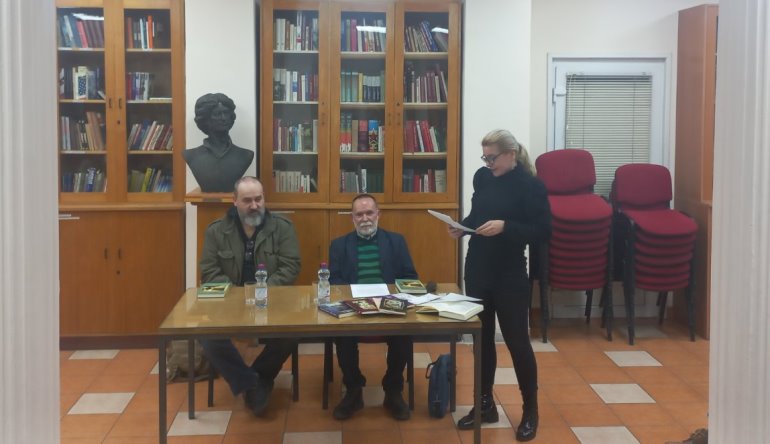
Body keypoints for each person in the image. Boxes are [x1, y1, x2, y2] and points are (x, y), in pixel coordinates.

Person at [447, 129, 550, 442]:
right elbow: (478, 216)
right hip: (478, 268)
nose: (487, 163)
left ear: (511, 154)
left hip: (509, 273)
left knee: (517, 342)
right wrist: (462, 227)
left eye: (492, 157)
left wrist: (506, 227)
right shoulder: (483, 177)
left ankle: (530, 410)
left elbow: (542, 231)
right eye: (485, 157)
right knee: (481, 340)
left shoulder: (530, 185)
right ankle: (485, 405)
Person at [199, 176, 301, 416]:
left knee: (294, 330)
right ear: (234, 201)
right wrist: (238, 296)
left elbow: (291, 266)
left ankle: (258, 377)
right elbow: (209, 271)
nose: (254, 205)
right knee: (207, 335)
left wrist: (261, 292)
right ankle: (251, 384)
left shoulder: (282, 227)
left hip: (271, 299)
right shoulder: (216, 231)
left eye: (258, 199)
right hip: (230, 301)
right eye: (247, 200)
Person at [328, 194, 418, 421]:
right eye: (359, 214)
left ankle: (393, 390)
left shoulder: (396, 241)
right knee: (342, 334)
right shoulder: (339, 245)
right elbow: (334, 282)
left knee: (404, 332)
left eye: (369, 213)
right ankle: (354, 390)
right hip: (354, 307)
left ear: (378, 214)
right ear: (352, 218)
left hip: (389, 305)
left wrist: (393, 297)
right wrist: (354, 300)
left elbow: (410, 277)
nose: (365, 218)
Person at [183, 93, 255, 192]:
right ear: (205, 119)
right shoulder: (191, 155)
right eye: (217, 114)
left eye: (226, 113)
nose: (223, 118)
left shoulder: (245, 155)